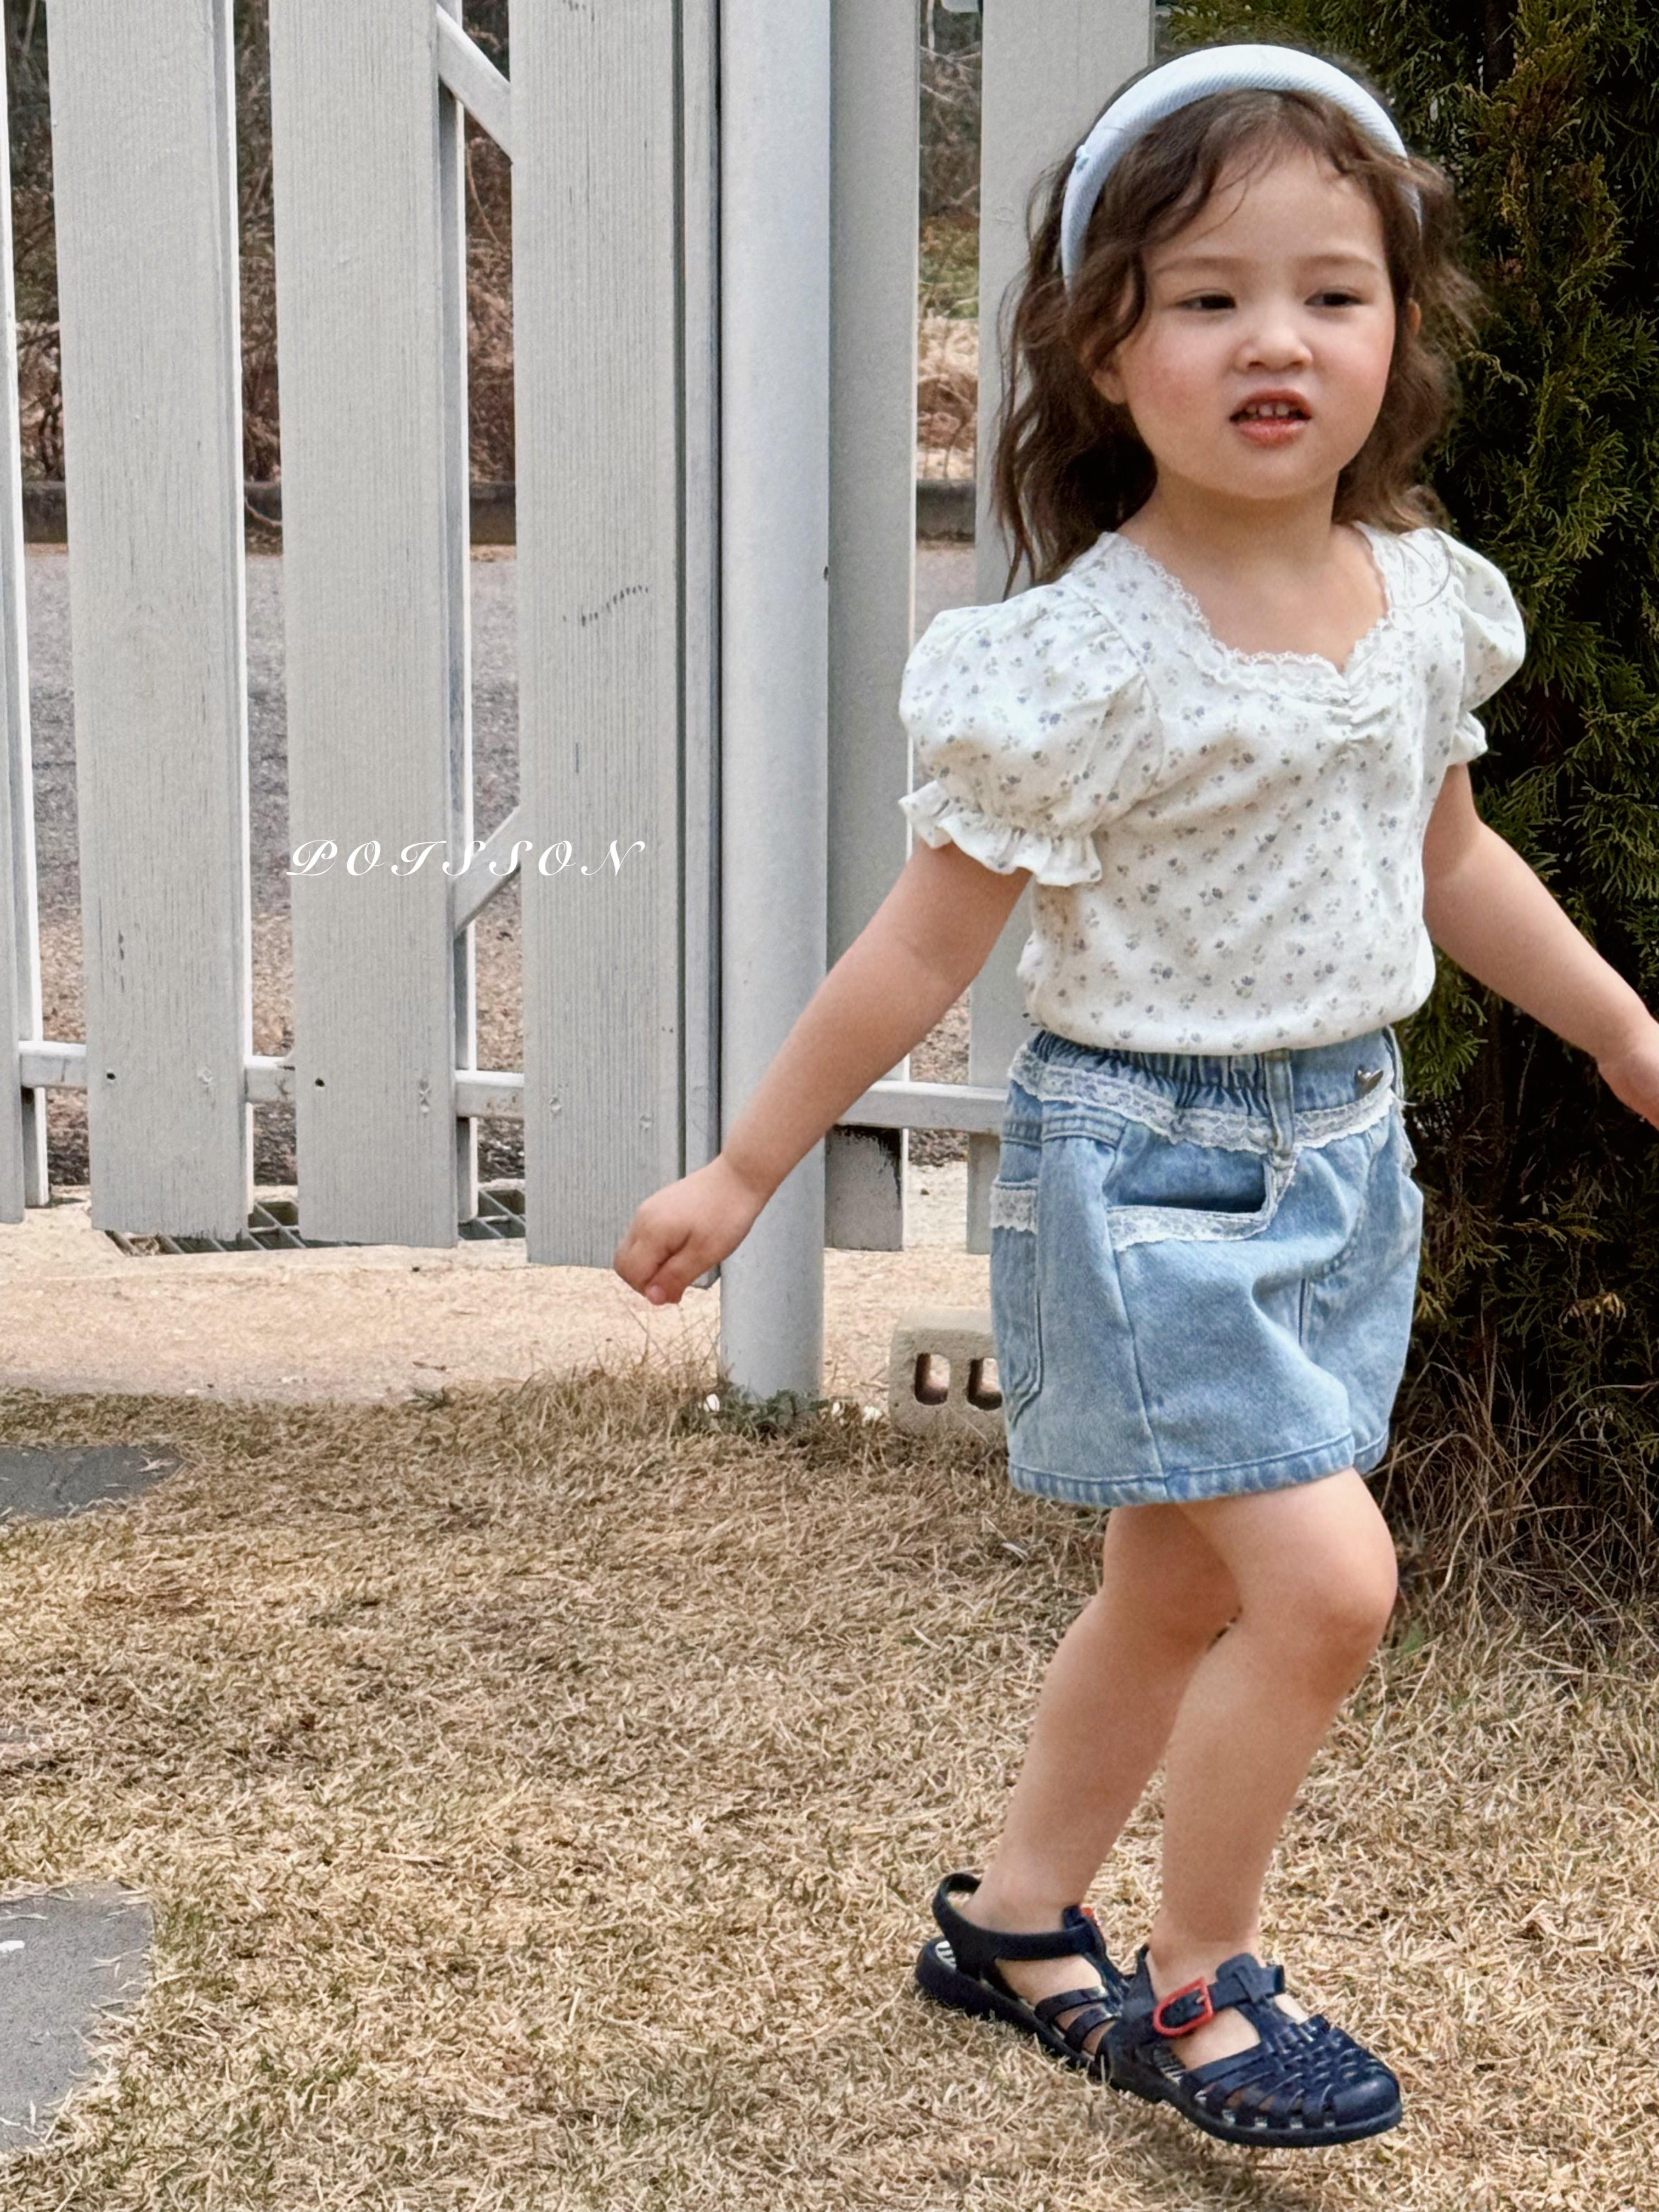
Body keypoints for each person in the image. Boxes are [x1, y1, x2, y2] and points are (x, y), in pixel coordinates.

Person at [613, 42, 1659, 2151]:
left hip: (1343, 1164)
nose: (1277, 340)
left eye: (1331, 292)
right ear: (1105, 350)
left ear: (1399, 329)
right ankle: (1200, 1983)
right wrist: (745, 1167)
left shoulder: (1419, 603)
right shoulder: (1080, 658)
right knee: (1328, 1586)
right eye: (1207, 297)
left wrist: (1624, 1029)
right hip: (1145, 1179)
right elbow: (923, 949)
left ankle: (1011, 1922)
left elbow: (1452, 866)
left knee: (1176, 1588)